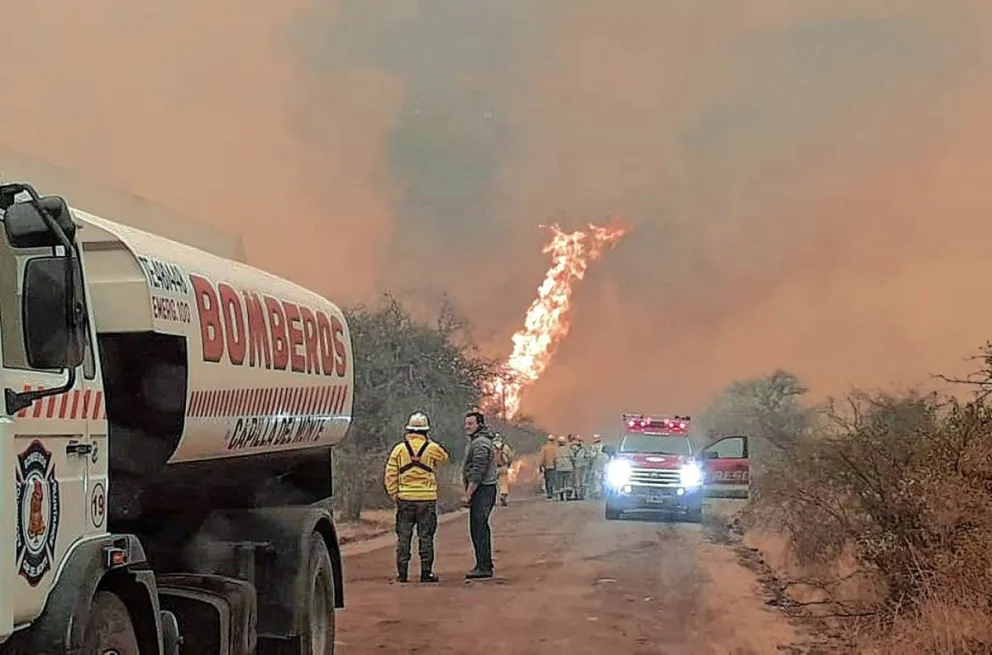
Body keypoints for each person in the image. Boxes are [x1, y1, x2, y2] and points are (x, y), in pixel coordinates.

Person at [383, 411, 450, 583]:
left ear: (408, 430)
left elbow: (390, 473)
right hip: (427, 499)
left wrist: (394, 494)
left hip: (405, 499)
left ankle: (402, 574)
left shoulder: (399, 449)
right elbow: (444, 460)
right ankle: (426, 573)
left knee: (404, 537)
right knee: (425, 536)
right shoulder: (432, 448)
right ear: (426, 430)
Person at [461, 409, 498, 579]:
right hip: (484, 489)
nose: (466, 426)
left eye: (470, 423)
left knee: (479, 528)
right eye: (466, 423)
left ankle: (484, 567)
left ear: (479, 425)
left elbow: (478, 471)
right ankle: (483, 564)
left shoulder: (480, 443)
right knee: (479, 527)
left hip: (483, 490)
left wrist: (468, 494)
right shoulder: (478, 441)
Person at [492, 432, 515, 507]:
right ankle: (503, 496)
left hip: (494, 468)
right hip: (504, 467)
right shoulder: (505, 446)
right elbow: (510, 456)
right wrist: (508, 464)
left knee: (492, 484)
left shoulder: (491, 446)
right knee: (503, 483)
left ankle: (493, 500)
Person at [586, 435, 607, 499]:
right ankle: (604, 492)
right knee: (604, 477)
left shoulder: (593, 447)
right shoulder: (603, 445)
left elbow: (592, 456)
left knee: (596, 478)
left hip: (597, 462)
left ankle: (597, 492)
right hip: (605, 461)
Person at [554, 435, 574, 501]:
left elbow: (554, 460)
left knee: (560, 484)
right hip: (568, 468)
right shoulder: (568, 449)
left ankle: (561, 497)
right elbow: (572, 457)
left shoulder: (556, 450)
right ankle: (568, 497)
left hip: (559, 469)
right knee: (568, 483)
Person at [538, 435, 557, 500]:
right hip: (554, 466)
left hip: (547, 466)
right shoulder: (556, 448)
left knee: (547, 480)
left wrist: (540, 466)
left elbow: (541, 458)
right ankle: (551, 492)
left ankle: (549, 493)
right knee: (552, 480)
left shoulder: (544, 448)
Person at [570, 435, 588, 500]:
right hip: (583, 465)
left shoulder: (571, 447)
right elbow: (588, 455)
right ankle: (581, 495)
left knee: (576, 480)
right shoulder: (584, 447)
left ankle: (577, 495)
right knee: (582, 480)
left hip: (576, 465)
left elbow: (571, 456)